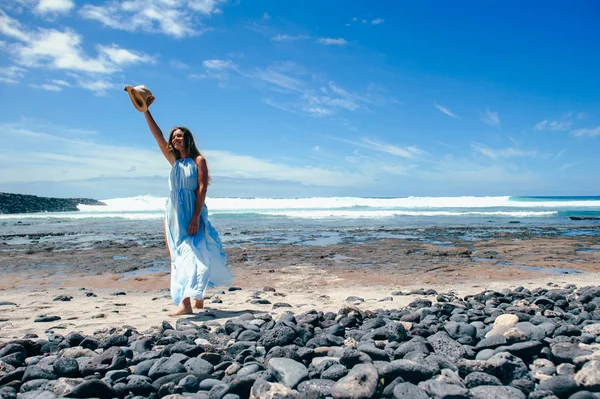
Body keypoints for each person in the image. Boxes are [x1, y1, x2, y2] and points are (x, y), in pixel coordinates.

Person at [143, 110, 234, 316]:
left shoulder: (198, 160)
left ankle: (194, 298)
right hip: (173, 213)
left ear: (187, 139)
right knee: (176, 256)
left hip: (191, 212)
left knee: (197, 252)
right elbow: (157, 135)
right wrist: (145, 111)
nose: (175, 139)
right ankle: (189, 301)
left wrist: (195, 218)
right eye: (173, 137)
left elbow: (202, 189)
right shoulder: (173, 160)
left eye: (179, 136)